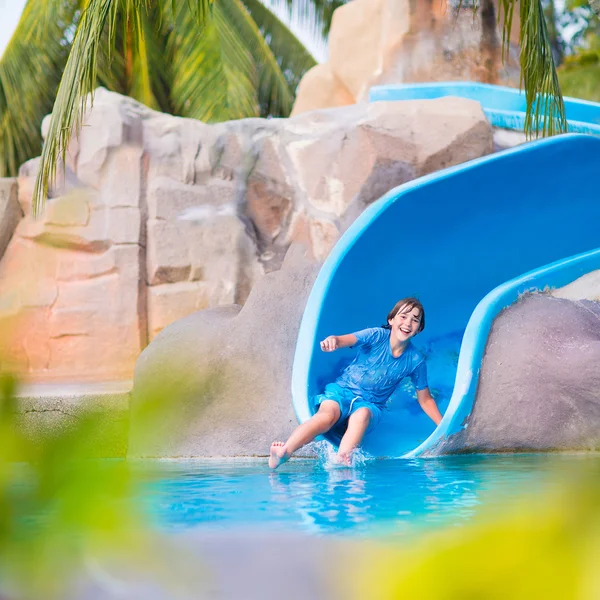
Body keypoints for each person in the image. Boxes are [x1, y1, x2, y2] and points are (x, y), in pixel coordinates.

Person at [268, 298, 443, 469]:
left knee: (362, 414)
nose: (408, 323)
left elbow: (425, 399)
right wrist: (333, 341)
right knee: (327, 414)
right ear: (391, 319)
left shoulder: (415, 360)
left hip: (370, 405)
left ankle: (342, 459)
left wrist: (443, 426)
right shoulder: (376, 335)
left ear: (419, 329)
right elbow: (344, 339)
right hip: (341, 392)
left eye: (415, 320)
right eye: (403, 317)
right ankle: (285, 451)